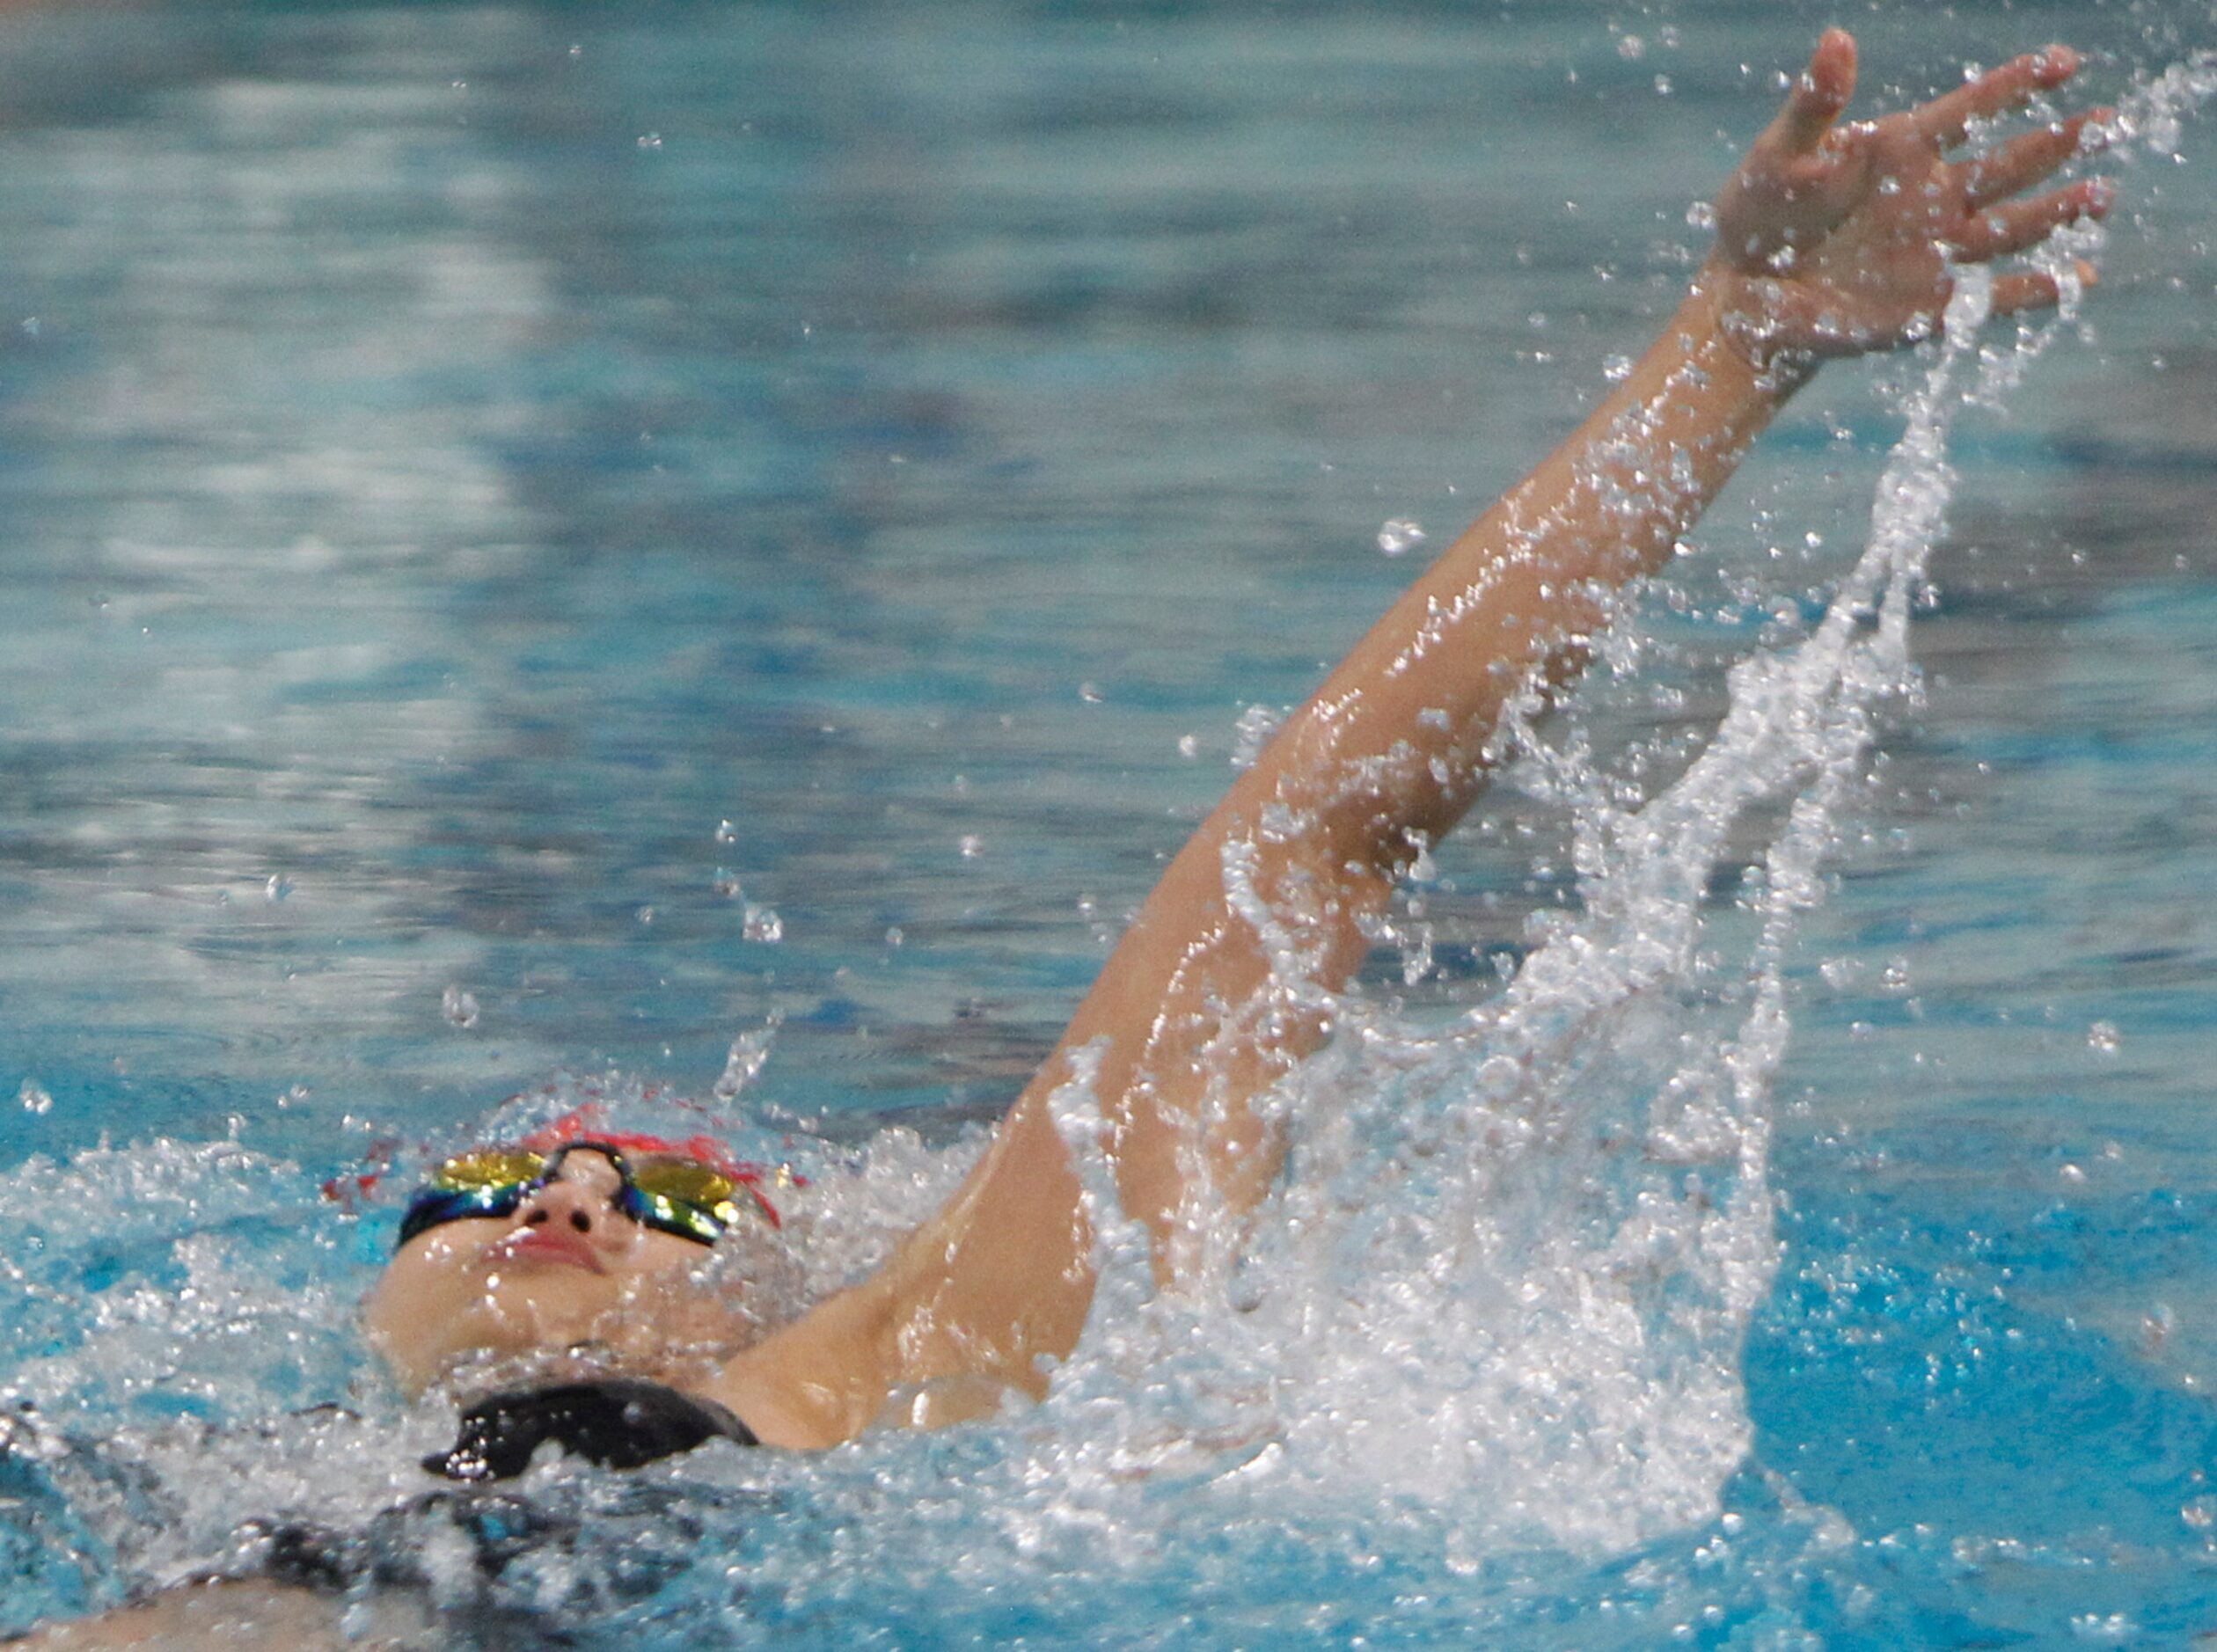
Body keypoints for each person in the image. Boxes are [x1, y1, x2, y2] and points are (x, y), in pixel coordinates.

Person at [12, 28, 2111, 1649]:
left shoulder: (863, 1387)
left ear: (777, 1275)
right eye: (494, 1178)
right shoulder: (150, 1463)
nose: (567, 1182)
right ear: (367, 1300)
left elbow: (1310, 844)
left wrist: (1724, 357)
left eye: (662, 1189)